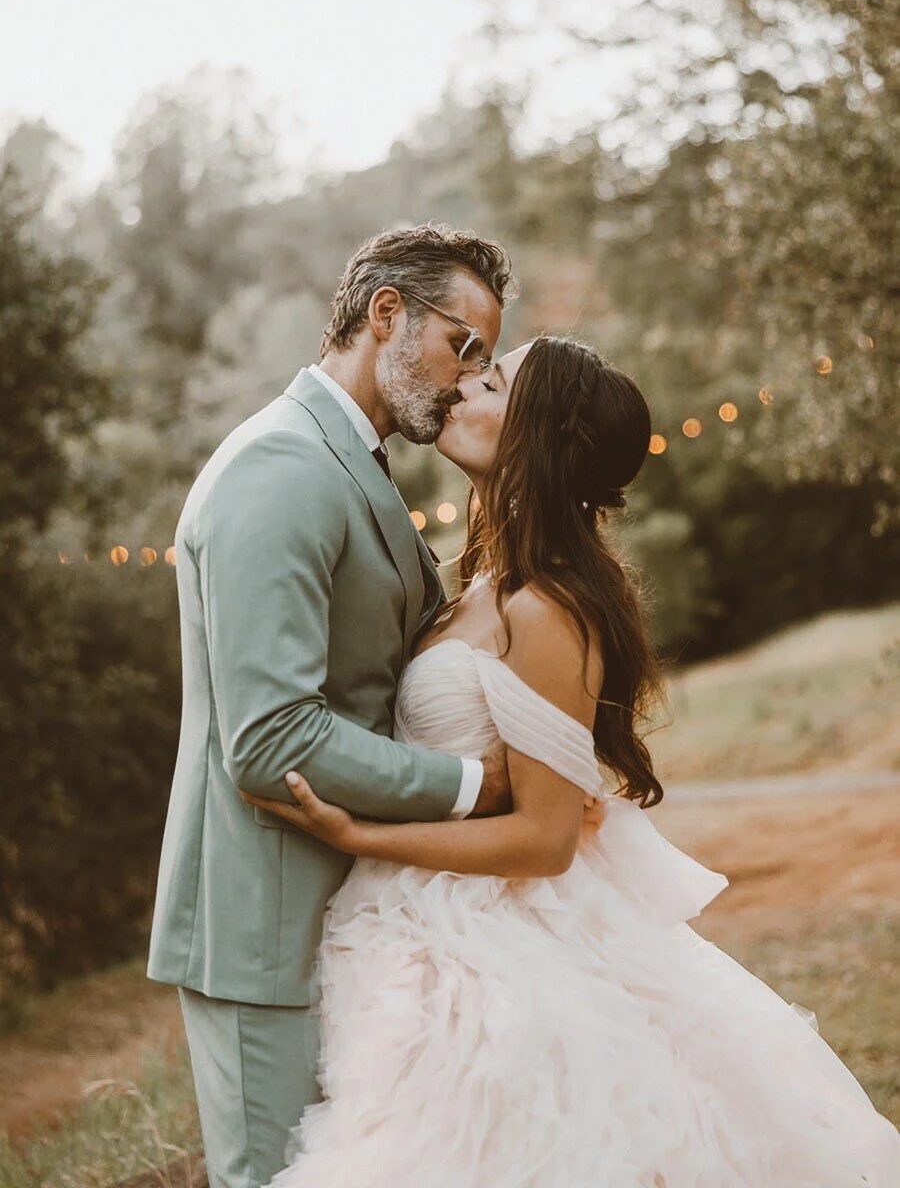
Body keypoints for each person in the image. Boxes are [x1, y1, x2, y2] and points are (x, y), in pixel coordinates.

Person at [247, 336, 900, 1187]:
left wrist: (362, 833)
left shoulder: (546, 607)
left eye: (492, 382)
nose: (462, 388)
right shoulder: (481, 580)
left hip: (489, 938)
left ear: (540, 436)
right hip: (421, 923)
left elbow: (548, 838)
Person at [147, 224, 527, 1188]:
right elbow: (272, 739)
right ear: (386, 314)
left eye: (484, 357)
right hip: (263, 926)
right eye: (463, 345)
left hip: (356, 918)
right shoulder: (278, 468)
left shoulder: (353, 461)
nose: (466, 377)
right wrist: (473, 789)